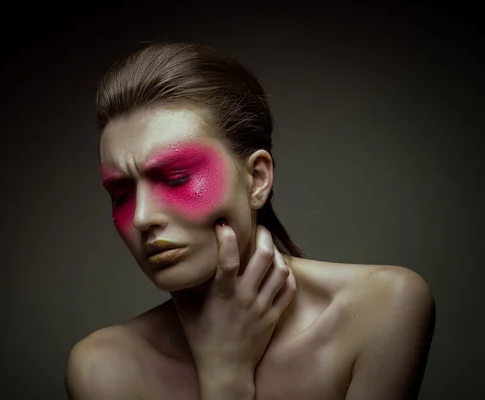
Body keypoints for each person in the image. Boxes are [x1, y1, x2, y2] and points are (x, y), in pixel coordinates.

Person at [65, 42, 436, 399]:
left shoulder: (380, 308)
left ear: (257, 179)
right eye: (121, 196)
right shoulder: (104, 368)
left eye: (177, 180)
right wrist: (224, 376)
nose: (143, 217)